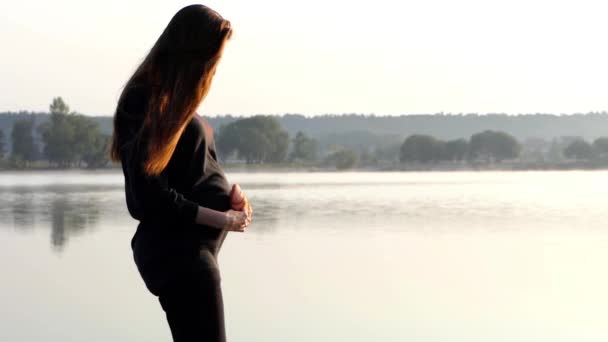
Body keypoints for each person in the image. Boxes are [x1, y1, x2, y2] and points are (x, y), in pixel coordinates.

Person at [108, 4, 253, 341]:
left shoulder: (179, 105)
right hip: (179, 258)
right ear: (191, 51)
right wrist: (222, 219)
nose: (214, 67)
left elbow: (193, 173)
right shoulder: (143, 99)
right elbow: (148, 196)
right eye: (211, 57)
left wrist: (233, 201)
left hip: (195, 255)